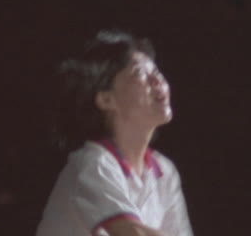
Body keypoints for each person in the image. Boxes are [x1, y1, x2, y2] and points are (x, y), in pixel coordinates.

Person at [36, 29, 194, 236]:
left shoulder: (164, 172)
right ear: (106, 100)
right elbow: (132, 233)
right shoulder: (92, 164)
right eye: (140, 73)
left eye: (156, 72)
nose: (157, 81)